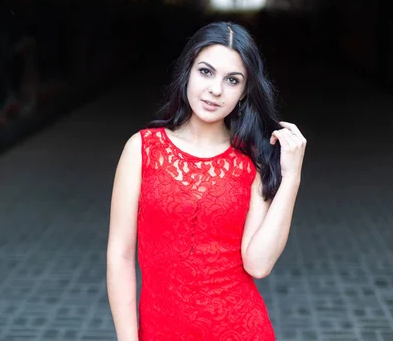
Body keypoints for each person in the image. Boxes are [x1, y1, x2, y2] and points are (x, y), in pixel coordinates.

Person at [106, 21, 307, 341]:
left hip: (240, 330)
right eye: (206, 72)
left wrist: (291, 177)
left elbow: (258, 264)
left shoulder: (252, 160)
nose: (216, 89)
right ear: (187, 71)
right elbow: (120, 254)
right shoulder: (143, 149)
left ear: (244, 92)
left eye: (232, 80)